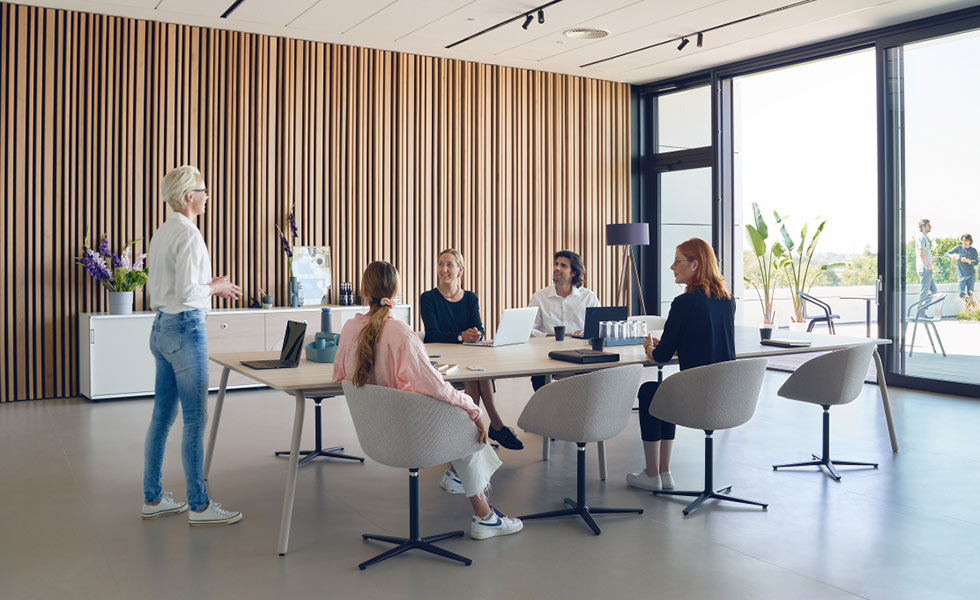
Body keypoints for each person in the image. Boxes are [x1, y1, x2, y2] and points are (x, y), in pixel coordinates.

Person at [334, 261, 523, 540]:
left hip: (374, 432)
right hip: (410, 434)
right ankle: (484, 516)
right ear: (396, 292)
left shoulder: (349, 329)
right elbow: (435, 386)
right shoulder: (401, 334)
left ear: (363, 290)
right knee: (462, 416)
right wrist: (472, 409)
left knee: (457, 413)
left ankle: (459, 477)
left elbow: (340, 375)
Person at [142, 165, 244, 525]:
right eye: (203, 190)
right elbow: (189, 293)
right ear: (189, 197)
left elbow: (172, 286)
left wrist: (207, 283)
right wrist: (215, 288)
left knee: (161, 419)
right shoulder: (190, 235)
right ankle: (199, 507)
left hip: (162, 329)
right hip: (186, 330)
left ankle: (152, 499)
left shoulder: (163, 232)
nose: (206, 196)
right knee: (195, 420)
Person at [626, 238, 735, 492]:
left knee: (650, 391)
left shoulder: (684, 303)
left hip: (697, 397)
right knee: (666, 390)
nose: (672, 267)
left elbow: (661, 356)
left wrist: (649, 347)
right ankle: (664, 473)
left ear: (695, 264)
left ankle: (653, 473)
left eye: (677, 261)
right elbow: (707, 338)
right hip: (726, 395)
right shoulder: (726, 300)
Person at [419, 249, 524, 450]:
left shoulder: (470, 298)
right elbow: (432, 334)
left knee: (477, 370)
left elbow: (480, 330)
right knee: (474, 373)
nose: (443, 269)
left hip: (467, 358)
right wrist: (460, 336)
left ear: (460, 270)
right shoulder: (428, 298)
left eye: (449, 265)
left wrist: (476, 334)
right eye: (441, 264)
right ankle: (494, 425)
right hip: (443, 360)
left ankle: (472, 430)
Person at [528, 250, 600, 390]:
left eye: (563, 265)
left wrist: (583, 333)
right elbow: (529, 330)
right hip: (547, 355)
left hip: (582, 355)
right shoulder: (539, 297)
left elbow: (597, 329)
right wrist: (552, 336)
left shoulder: (589, 297)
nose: (556, 268)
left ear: (573, 272)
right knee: (538, 379)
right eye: (556, 264)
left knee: (593, 378)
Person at [945, 234, 977, 298]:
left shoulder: (973, 250)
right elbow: (946, 253)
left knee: (970, 294)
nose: (964, 242)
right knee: (960, 293)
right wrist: (951, 256)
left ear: (970, 241)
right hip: (961, 274)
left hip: (971, 274)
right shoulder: (958, 248)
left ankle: (970, 306)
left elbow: (976, 262)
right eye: (963, 240)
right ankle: (972, 304)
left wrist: (968, 261)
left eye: (966, 240)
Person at [917, 219, 937, 304]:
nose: (931, 227)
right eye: (929, 225)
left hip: (926, 269)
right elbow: (921, 254)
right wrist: (929, 265)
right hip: (925, 269)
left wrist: (930, 257)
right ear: (923, 227)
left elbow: (923, 253)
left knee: (934, 290)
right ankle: (920, 313)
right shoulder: (922, 238)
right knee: (924, 292)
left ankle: (923, 309)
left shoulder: (924, 238)